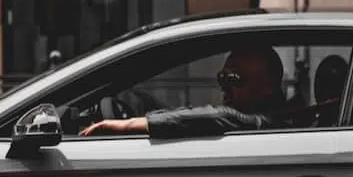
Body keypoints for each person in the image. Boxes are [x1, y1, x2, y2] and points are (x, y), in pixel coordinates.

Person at [81, 43, 290, 139]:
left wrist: (125, 125)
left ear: (267, 86)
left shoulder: (269, 123)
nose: (225, 87)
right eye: (222, 78)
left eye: (235, 79)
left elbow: (215, 117)